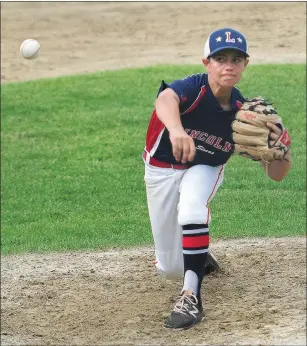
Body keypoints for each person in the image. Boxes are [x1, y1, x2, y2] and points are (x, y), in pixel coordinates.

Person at [142, 27, 292, 330]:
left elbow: (276, 176)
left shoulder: (245, 113)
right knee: (170, 268)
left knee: (193, 209)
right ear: (206, 62)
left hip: (206, 169)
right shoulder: (192, 89)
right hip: (161, 170)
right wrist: (177, 130)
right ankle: (197, 252)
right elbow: (165, 99)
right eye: (220, 58)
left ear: (245, 65)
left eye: (236, 59)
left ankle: (190, 296)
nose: (228, 65)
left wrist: (281, 151)